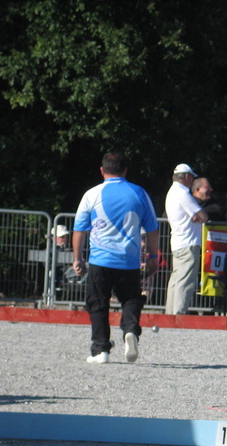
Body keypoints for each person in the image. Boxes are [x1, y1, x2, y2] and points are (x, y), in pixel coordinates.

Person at [72, 152, 159, 364]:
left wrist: (78, 258)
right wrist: (153, 256)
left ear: (102, 170)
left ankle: (101, 350)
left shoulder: (92, 194)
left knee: (98, 303)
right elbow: (153, 229)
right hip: (128, 260)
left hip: (100, 261)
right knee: (130, 299)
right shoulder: (139, 193)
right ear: (125, 170)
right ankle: (130, 331)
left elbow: (80, 230)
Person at [164, 163, 208, 315]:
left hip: (177, 242)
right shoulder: (183, 194)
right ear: (187, 176)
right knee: (185, 282)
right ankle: (179, 315)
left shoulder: (172, 192)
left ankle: (170, 314)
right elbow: (203, 216)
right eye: (192, 177)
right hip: (188, 243)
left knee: (176, 281)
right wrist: (198, 215)